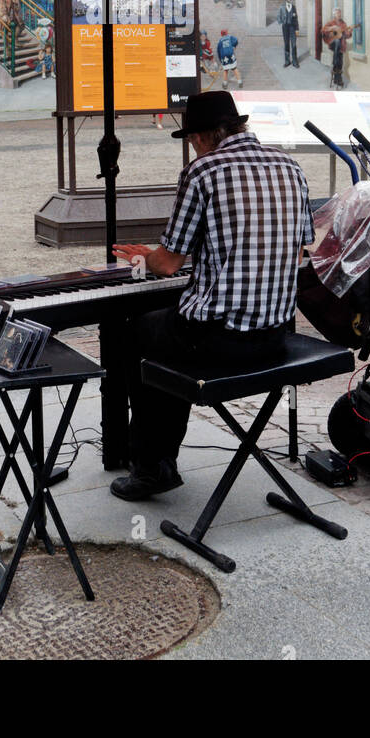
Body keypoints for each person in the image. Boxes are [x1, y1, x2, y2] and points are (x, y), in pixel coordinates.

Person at [109, 90, 315, 499]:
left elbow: (168, 264)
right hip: (276, 334)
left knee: (133, 333)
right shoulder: (291, 168)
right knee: (170, 331)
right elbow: (299, 250)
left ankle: (151, 466)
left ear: (202, 137)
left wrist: (145, 256)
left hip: (221, 339)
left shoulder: (202, 172)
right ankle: (158, 459)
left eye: (190, 140)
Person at [321, 9, 353, 89]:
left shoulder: (343, 24)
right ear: (334, 15)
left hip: (341, 47)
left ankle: (337, 78)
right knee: (337, 41)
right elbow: (323, 30)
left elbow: (346, 36)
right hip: (333, 44)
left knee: (340, 62)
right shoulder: (331, 22)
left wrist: (349, 32)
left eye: (340, 13)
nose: (339, 15)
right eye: (337, 13)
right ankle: (338, 78)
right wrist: (332, 28)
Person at [277, 0, 300, 68]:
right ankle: (287, 61)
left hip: (293, 28)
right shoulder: (282, 7)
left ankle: (294, 61)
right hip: (285, 27)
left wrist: (297, 29)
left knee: (293, 44)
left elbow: (296, 18)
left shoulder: (293, 7)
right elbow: (278, 16)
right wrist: (282, 22)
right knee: (286, 44)